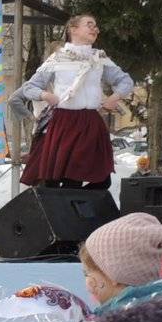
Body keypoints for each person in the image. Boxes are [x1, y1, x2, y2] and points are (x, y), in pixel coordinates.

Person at [10, 13, 133, 191]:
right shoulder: (57, 58)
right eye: (89, 24)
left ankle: (73, 205)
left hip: (91, 123)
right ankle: (59, 205)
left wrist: (114, 97)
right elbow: (30, 87)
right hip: (64, 122)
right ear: (73, 29)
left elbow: (126, 81)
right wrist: (45, 95)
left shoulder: (99, 58)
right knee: (63, 181)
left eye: (96, 26)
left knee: (101, 180)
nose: (95, 29)